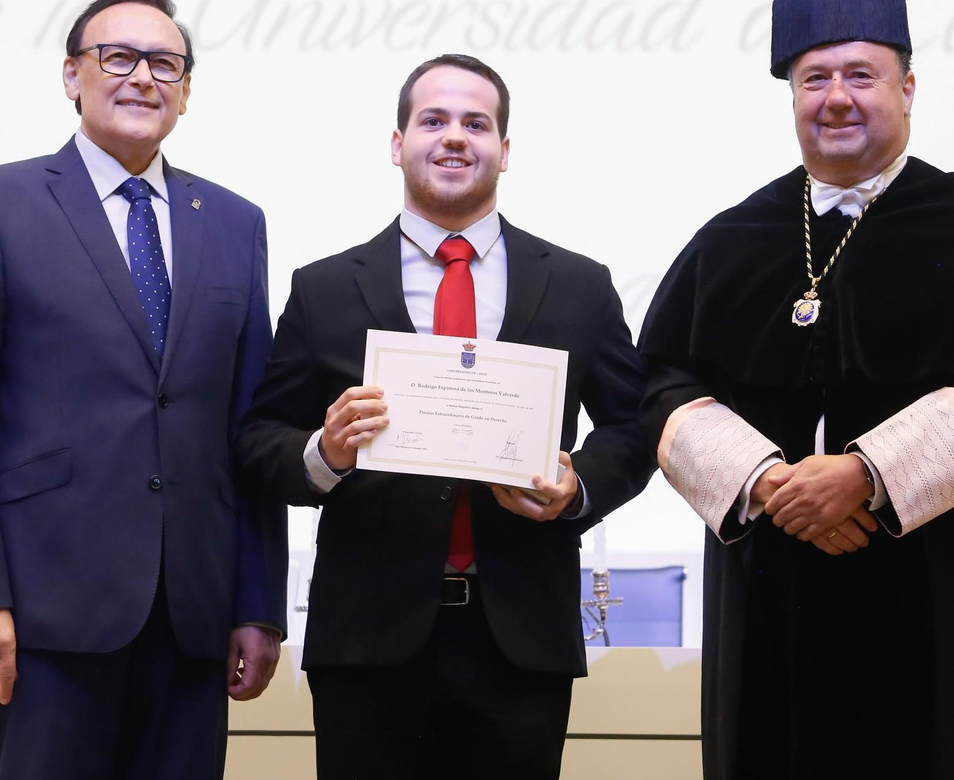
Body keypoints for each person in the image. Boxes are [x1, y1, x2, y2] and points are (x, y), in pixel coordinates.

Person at [639, 0, 954, 779]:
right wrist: (765, 480)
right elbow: (659, 383)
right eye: (814, 78)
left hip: (928, 587)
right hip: (769, 586)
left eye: (860, 75)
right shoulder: (732, 238)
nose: (836, 98)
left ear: (908, 88)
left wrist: (867, 475)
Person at [235, 54, 657, 780]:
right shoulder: (326, 287)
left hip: (520, 638)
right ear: (397, 143)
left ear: (505, 149)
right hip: (367, 640)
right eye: (433, 120)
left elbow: (636, 429)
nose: (455, 137)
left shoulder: (579, 285)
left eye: (476, 123)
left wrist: (576, 486)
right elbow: (258, 441)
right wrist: (326, 452)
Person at [0, 0, 287, 780]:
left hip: (191, 619)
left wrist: (258, 605)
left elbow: (246, 428)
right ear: (71, 75)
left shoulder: (234, 222)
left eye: (165, 63)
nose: (142, 78)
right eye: (117, 57)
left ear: (186, 92)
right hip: (39, 618)